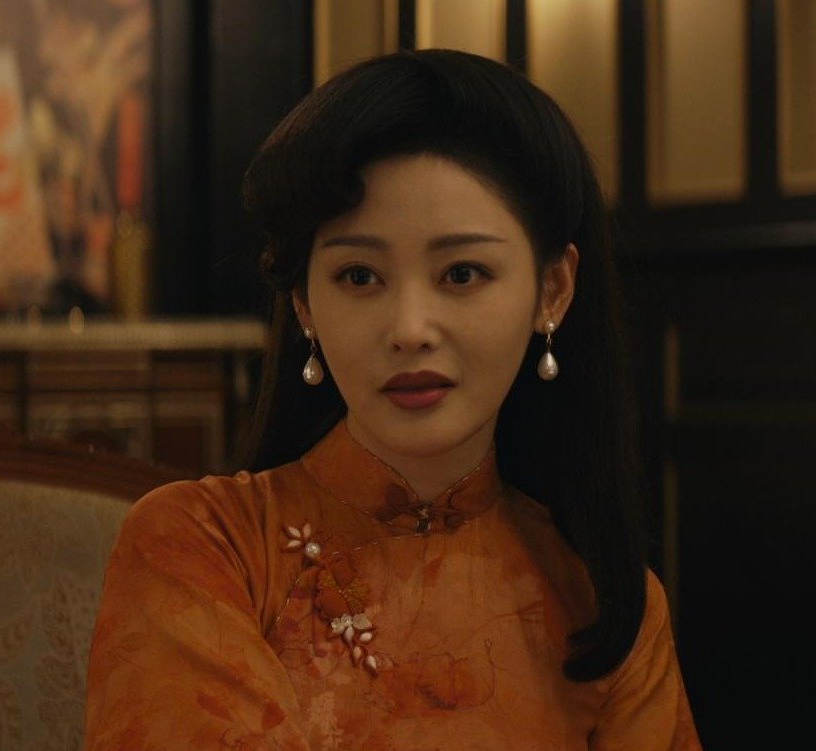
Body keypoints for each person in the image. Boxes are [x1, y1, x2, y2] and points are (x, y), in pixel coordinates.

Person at [85, 49, 700, 749]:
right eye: (359, 276)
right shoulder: (206, 544)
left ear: (552, 290)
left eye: (461, 273)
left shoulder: (606, 605)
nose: (409, 329)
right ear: (304, 303)